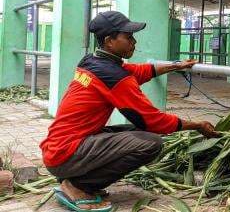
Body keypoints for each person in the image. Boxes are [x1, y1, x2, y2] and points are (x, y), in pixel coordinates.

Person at [40, 11, 218, 212]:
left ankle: (76, 178)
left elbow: (139, 71)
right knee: (150, 143)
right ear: (109, 41)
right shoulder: (113, 76)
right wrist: (196, 125)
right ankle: (78, 185)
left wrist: (176, 66)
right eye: (128, 37)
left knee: (132, 132)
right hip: (66, 154)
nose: (134, 42)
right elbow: (153, 121)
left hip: (59, 148)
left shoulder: (92, 61)